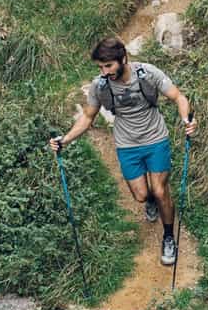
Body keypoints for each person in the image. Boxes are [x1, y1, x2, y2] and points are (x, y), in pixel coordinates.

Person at [49, 37, 196, 266]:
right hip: (127, 145)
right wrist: (64, 140)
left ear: (123, 59)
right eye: (100, 67)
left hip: (155, 139)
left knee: (160, 190)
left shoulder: (147, 73)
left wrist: (187, 120)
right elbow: (87, 117)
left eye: (108, 66)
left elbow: (178, 96)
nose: (104, 72)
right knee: (141, 195)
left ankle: (168, 237)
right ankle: (150, 201)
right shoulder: (100, 86)